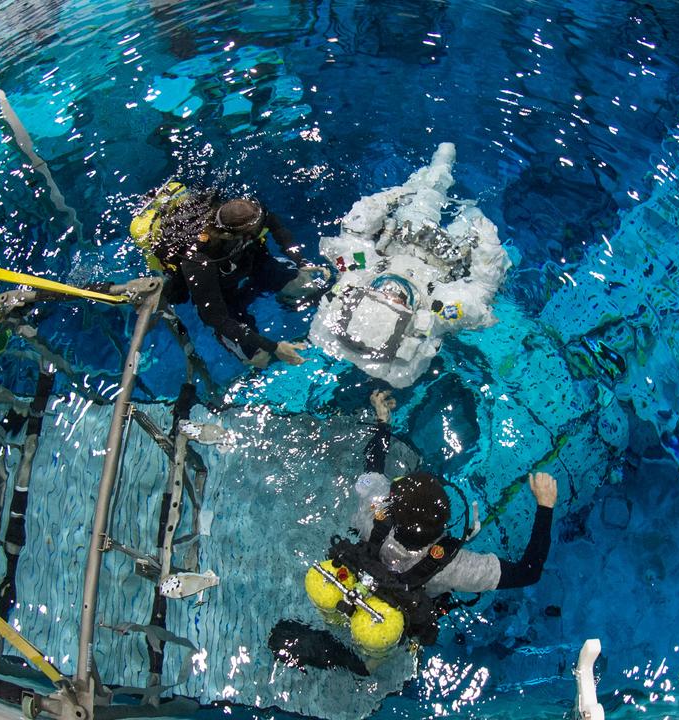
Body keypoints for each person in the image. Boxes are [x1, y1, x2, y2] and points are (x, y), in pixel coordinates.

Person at [271, 389, 557, 673]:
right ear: (444, 525)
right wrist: (545, 506)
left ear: (392, 508)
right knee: (377, 652)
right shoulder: (454, 566)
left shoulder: (374, 511)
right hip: (393, 611)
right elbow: (529, 571)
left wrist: (383, 423)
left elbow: (373, 464)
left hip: (357, 579)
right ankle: (364, 666)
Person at [140, 186, 331, 368]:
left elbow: (277, 228)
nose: (258, 231)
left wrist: (301, 262)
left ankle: (279, 295)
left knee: (307, 287)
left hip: (252, 264)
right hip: (222, 293)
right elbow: (214, 317)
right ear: (228, 235)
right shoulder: (198, 261)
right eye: (252, 233)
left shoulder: (251, 215)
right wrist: (273, 347)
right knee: (258, 356)